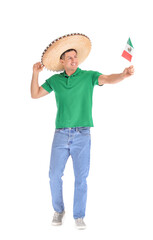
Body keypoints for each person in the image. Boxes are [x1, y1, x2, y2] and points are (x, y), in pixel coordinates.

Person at [31, 34, 134, 230]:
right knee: (54, 175)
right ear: (62, 61)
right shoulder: (55, 80)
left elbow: (108, 79)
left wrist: (123, 75)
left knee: (81, 177)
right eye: (69, 57)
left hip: (82, 135)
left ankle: (79, 215)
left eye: (75, 57)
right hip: (60, 134)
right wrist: (35, 73)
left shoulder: (89, 76)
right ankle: (58, 210)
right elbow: (35, 94)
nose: (74, 60)